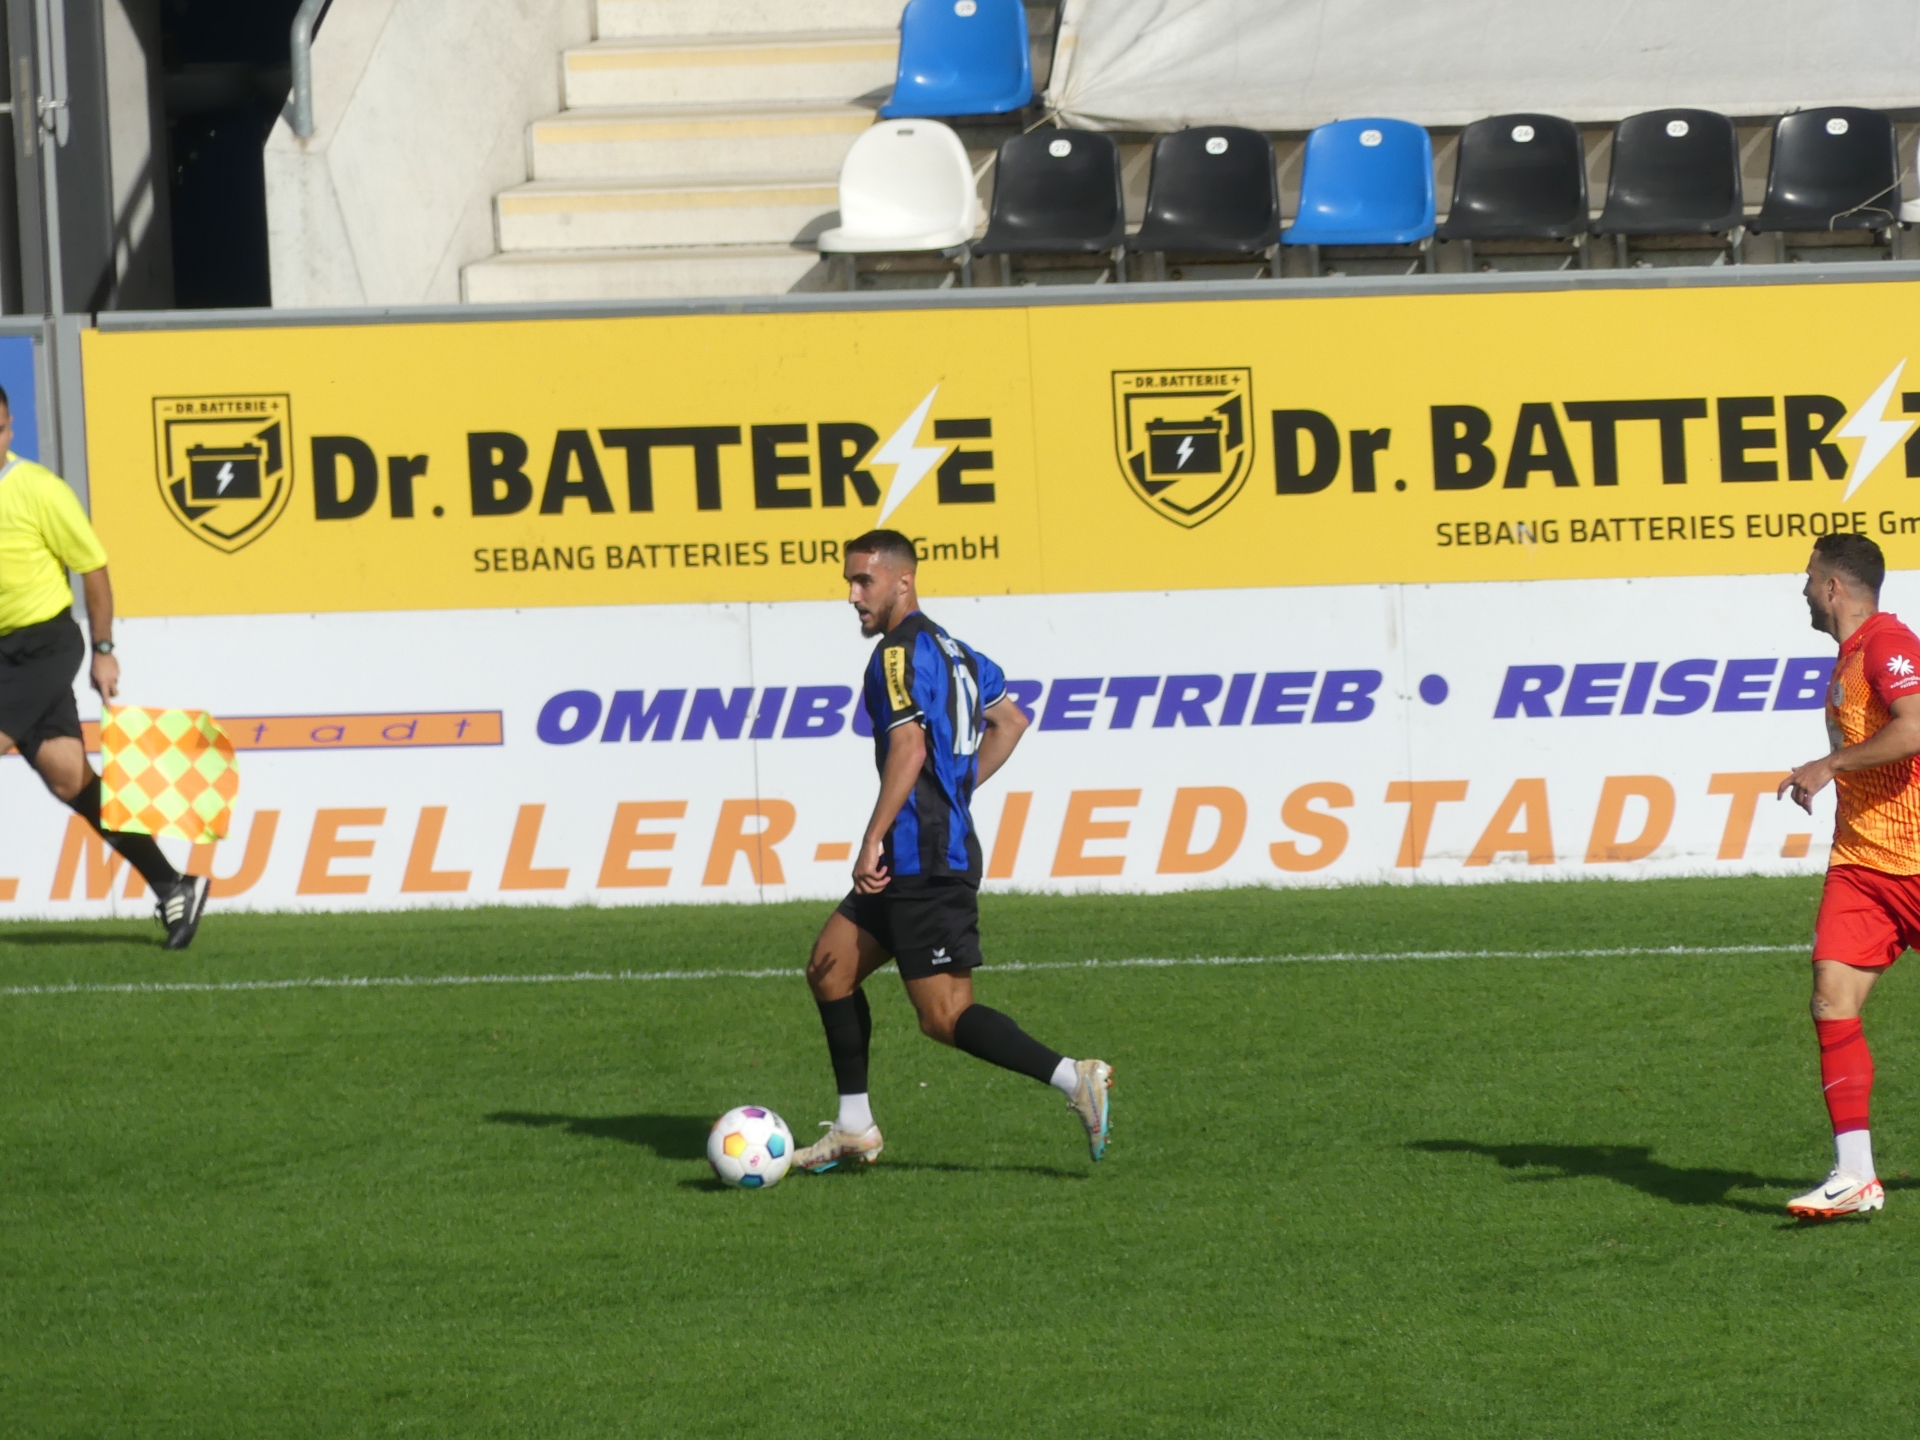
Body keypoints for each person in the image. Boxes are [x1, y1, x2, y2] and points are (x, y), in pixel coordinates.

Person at [791, 528, 1113, 1172]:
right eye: (849, 583)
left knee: (943, 1016)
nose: (854, 596)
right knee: (831, 966)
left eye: (864, 582)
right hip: (922, 850)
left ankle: (1074, 1078)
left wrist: (874, 836)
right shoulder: (959, 651)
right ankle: (855, 1127)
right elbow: (1011, 720)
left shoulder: (895, 657)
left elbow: (910, 748)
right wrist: (954, 788)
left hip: (923, 859)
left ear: (902, 581)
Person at [0, 387, 208, 948]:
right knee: (72, 780)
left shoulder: (40, 490)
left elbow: (92, 567)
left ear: (10, 428)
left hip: (42, 646)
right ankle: (173, 884)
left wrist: (105, 647)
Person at [1778, 532, 1920, 1218]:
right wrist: (1830, 773)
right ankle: (1856, 1175)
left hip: (1917, 861)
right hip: (1862, 866)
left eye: (1809, 578)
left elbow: (1915, 726)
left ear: (1833, 587)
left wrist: (1828, 766)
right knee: (1831, 1000)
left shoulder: (1889, 644)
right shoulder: (1848, 657)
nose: (1802, 589)